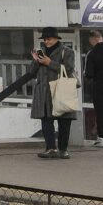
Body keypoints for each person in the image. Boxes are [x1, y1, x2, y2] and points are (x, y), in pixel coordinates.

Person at [31, 26, 78, 159]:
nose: (47, 41)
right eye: (45, 39)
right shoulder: (41, 52)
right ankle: (50, 148)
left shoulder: (67, 51)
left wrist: (49, 62)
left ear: (56, 38)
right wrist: (36, 60)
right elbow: (31, 72)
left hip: (61, 90)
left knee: (64, 121)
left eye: (49, 39)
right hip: (44, 92)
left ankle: (63, 150)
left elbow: (68, 70)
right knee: (46, 120)